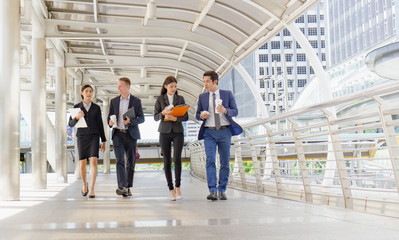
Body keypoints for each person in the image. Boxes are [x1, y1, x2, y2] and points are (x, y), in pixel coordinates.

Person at [196, 71, 243, 201]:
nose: (205, 84)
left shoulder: (227, 94)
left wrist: (225, 110)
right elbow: (196, 115)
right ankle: (212, 190)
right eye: (204, 81)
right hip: (209, 132)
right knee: (210, 160)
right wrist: (202, 115)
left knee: (224, 162)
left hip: (225, 131)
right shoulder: (202, 97)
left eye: (207, 81)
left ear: (215, 82)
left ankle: (222, 190)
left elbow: (235, 111)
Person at [108, 77, 145, 197]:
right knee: (119, 161)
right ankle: (122, 186)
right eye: (118, 86)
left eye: (121, 86)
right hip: (117, 133)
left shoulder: (136, 101)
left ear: (127, 87)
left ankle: (128, 187)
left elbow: (141, 119)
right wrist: (110, 122)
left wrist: (130, 121)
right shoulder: (113, 101)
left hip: (130, 134)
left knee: (130, 162)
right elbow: (109, 117)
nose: (118, 88)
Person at [69, 85, 106, 198]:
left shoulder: (96, 107)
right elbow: (70, 124)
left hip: (94, 136)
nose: (89, 93)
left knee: (94, 161)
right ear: (82, 93)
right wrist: (77, 117)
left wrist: (103, 140)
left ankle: (92, 190)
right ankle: (85, 185)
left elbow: (100, 124)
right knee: (82, 164)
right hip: (82, 137)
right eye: (86, 91)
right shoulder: (76, 107)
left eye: (90, 91)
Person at [154, 76, 188, 201]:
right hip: (164, 132)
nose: (174, 88)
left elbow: (186, 116)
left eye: (175, 86)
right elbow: (155, 116)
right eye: (171, 86)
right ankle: (171, 189)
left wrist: (176, 119)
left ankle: (178, 186)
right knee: (167, 161)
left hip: (178, 131)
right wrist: (163, 113)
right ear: (165, 86)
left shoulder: (180, 98)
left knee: (177, 158)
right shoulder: (160, 99)